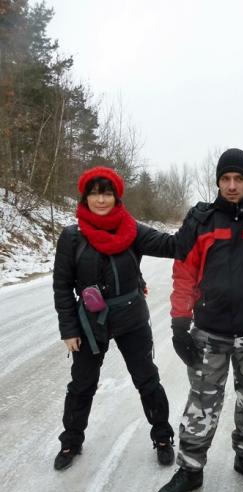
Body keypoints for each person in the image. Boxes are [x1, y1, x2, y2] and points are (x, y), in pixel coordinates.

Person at [155, 148, 243, 492]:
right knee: (202, 403)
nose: (232, 186)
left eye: (239, 179)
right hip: (209, 333)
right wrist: (180, 323)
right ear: (218, 182)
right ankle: (190, 470)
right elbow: (184, 273)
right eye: (225, 179)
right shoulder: (202, 221)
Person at [53, 166, 177, 471]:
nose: (101, 200)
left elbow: (170, 245)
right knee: (82, 383)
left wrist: (200, 222)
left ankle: (162, 436)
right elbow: (62, 286)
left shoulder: (131, 229)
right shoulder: (72, 236)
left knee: (146, 378)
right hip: (89, 322)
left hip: (132, 317)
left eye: (106, 193)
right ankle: (71, 440)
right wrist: (68, 329)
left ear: (116, 196)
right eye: (94, 193)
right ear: (85, 197)